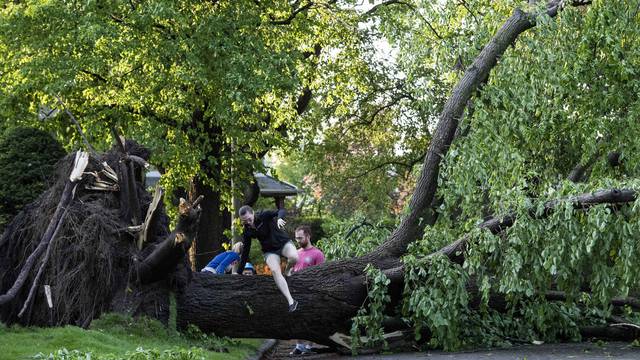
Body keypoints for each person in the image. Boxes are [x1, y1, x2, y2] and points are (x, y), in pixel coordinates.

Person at [236, 205, 299, 312]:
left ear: (253, 213)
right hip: (269, 251)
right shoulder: (247, 230)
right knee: (275, 270)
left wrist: (279, 219)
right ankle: (291, 301)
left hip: (283, 243)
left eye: (249, 219)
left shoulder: (264, 215)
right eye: (245, 221)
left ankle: (288, 271)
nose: (248, 222)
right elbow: (246, 251)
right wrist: (239, 272)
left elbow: (281, 210)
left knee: (294, 258)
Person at [290, 225, 325, 355]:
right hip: (297, 292)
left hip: (312, 292)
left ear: (308, 236)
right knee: (297, 319)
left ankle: (309, 347)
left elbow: (322, 274)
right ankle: (299, 346)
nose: (298, 241)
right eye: (296, 238)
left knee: (311, 319)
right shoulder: (296, 253)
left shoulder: (318, 254)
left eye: (300, 238)